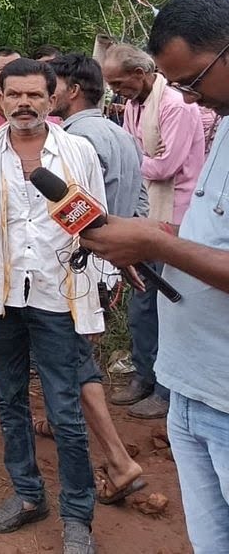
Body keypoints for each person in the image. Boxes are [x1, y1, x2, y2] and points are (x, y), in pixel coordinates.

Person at [82, 0, 229, 554]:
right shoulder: (223, 120)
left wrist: (150, 240)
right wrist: (160, 243)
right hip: (192, 385)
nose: (189, 97)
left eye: (193, 79)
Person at [0, 57, 107, 554]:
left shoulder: (77, 152)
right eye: (14, 95)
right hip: (2, 296)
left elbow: (97, 227)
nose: (24, 104)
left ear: (52, 98)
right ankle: (27, 495)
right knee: (9, 402)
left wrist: (97, 299)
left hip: (59, 296)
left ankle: (77, 515)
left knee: (65, 411)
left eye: (35, 96)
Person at [47, 52, 148, 505]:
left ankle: (118, 460)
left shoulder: (73, 140)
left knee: (73, 358)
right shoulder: (120, 133)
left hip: (79, 267)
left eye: (53, 84)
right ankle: (58, 417)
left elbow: (73, 214)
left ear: (71, 89)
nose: (47, 92)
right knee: (78, 350)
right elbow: (141, 199)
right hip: (111, 262)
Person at [102, 41, 206, 421]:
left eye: (119, 82)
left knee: (164, 304)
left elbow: (165, 167)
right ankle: (145, 376)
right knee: (142, 301)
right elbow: (142, 158)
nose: (116, 90)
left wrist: (129, 162)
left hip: (174, 216)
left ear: (140, 75)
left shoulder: (175, 105)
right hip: (145, 211)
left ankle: (165, 390)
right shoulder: (134, 105)